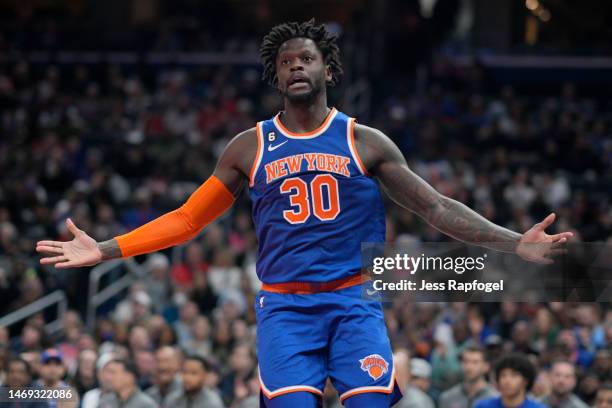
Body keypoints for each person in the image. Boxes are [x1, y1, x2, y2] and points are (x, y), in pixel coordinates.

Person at [36, 19, 573, 408]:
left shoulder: (364, 141)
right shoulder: (249, 148)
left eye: (307, 58)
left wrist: (512, 243)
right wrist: (105, 249)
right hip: (285, 311)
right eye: (286, 61)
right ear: (275, 76)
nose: (296, 65)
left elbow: (434, 206)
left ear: (329, 70)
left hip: (352, 301)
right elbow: (187, 219)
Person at [474, 353, 546, 408]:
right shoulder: (483, 406)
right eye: (503, 375)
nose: (507, 381)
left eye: (514, 375)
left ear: (525, 381)